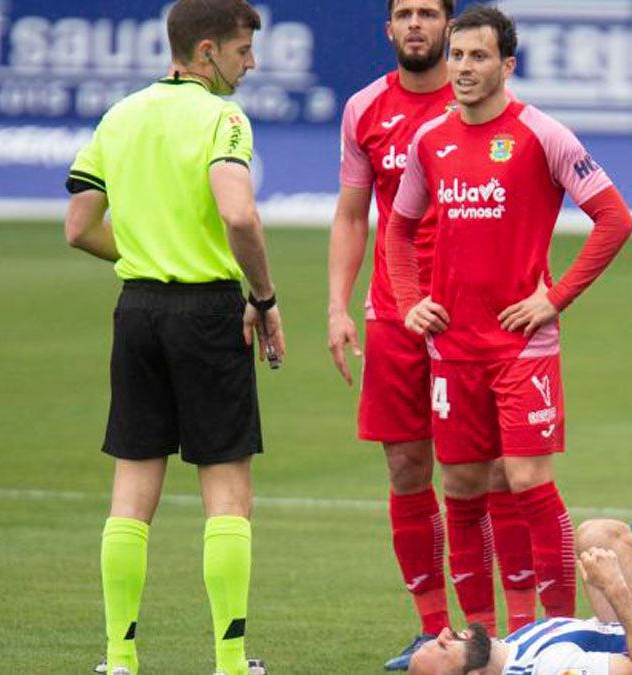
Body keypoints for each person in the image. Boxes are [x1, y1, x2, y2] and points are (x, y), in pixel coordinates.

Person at [386, 0, 632, 643]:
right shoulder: (430, 140)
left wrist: (555, 298)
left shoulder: (542, 134)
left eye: (478, 57)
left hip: (523, 347)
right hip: (453, 350)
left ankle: (552, 635)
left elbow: (615, 219)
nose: (463, 68)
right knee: (463, 491)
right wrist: (411, 297)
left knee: (527, 481)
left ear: (507, 64)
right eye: (458, 55)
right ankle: (480, 639)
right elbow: (399, 227)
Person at [64, 1, 284, 674]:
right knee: (227, 494)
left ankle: (119, 658)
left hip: (137, 310)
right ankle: (229, 658)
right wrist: (264, 299)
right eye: (244, 49)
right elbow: (238, 213)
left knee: (131, 493)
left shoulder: (121, 115)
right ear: (208, 50)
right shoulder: (223, 118)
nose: (252, 62)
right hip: (209, 313)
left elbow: (78, 224)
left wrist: (143, 251)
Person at [330, 0, 535, 666]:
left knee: (500, 472)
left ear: (450, 27)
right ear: (387, 28)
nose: (416, 24)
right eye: (404, 12)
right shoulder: (365, 108)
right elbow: (355, 214)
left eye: (428, 12)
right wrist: (338, 305)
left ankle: (519, 631)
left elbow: (522, 208)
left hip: (479, 320)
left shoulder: (489, 103)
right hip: (396, 316)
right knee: (407, 466)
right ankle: (435, 630)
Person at [408, 508, 632, 675]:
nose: (445, 632)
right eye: (444, 646)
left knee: (595, 536)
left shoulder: (509, 651)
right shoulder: (547, 669)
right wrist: (613, 585)